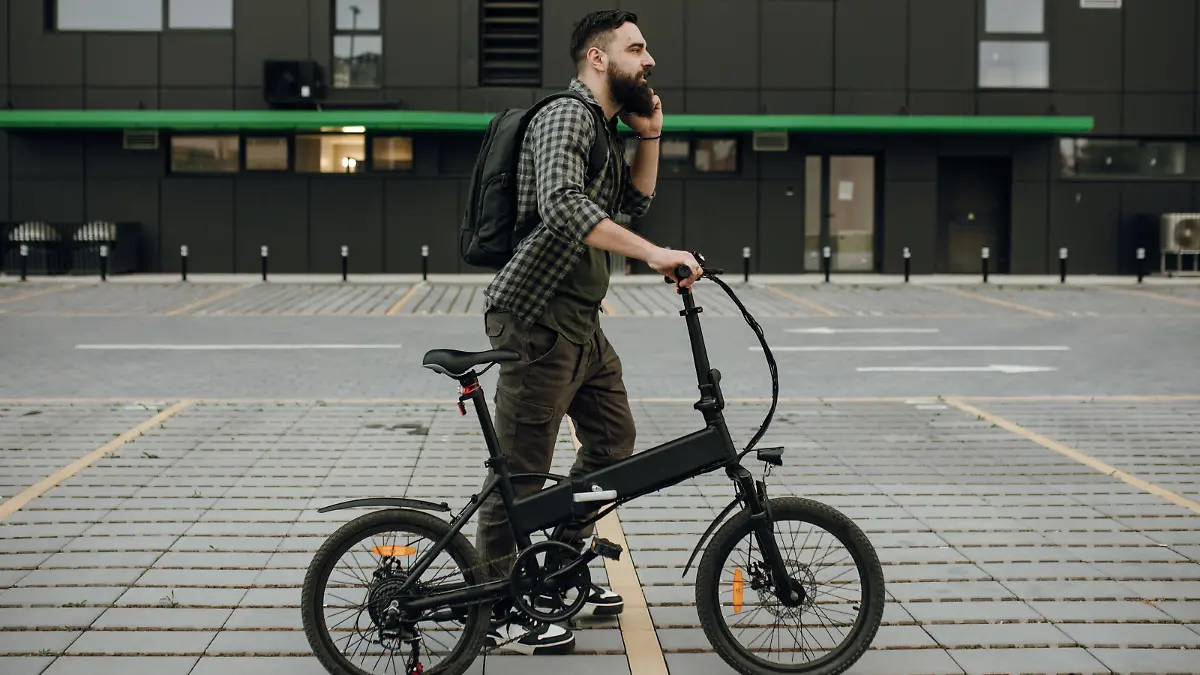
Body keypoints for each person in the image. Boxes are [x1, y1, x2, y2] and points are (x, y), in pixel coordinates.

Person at [475, 8, 701, 656]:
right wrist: (656, 254)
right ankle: (491, 610)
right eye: (636, 48)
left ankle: (551, 569)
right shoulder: (567, 117)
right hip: (536, 320)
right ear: (598, 59)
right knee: (520, 474)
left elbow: (629, 207)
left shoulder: (605, 129)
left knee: (612, 443)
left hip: (579, 323)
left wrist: (651, 137)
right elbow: (565, 206)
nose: (649, 59)